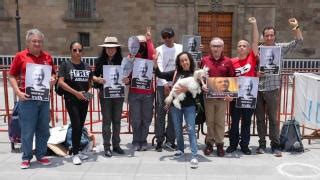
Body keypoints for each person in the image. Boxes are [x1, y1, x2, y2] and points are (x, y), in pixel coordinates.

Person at [255, 17, 303, 157]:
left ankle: (275, 145)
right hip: (258, 88)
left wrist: (296, 27)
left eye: (271, 35)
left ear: (274, 36)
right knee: (259, 118)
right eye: (267, 35)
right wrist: (256, 72)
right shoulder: (257, 49)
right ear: (263, 37)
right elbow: (251, 67)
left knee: (273, 119)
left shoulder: (280, 48)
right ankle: (261, 144)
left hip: (273, 88)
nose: (269, 37)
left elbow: (298, 42)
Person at [8, 28, 55, 169]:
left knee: (43, 129)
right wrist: (18, 93)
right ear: (28, 42)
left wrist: (53, 79)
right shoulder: (20, 56)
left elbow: (53, 74)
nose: (37, 44)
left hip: (44, 99)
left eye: (40, 41)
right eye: (34, 41)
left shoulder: (48, 57)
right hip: (27, 99)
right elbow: (11, 75)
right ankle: (26, 157)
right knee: (27, 130)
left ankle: (41, 155)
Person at [154, 52, 199, 168]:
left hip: (189, 106)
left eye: (186, 60)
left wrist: (186, 89)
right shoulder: (175, 73)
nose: (184, 62)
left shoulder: (195, 73)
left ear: (190, 60)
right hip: (175, 106)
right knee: (178, 130)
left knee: (190, 130)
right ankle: (180, 149)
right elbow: (160, 74)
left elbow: (199, 90)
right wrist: (155, 63)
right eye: (182, 61)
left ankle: (194, 155)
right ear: (179, 63)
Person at [227, 17, 259, 155]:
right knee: (234, 122)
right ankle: (233, 144)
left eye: (244, 45)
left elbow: (255, 41)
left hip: (249, 96)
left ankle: (244, 145)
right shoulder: (231, 61)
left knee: (246, 122)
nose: (241, 47)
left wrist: (254, 24)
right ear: (237, 48)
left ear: (248, 48)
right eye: (239, 45)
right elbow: (229, 79)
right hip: (235, 96)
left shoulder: (251, 57)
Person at [58, 41, 92, 165]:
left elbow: (89, 82)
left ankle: (78, 150)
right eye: (74, 50)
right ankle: (75, 153)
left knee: (80, 126)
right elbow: (61, 82)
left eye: (80, 50)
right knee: (76, 125)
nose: (77, 52)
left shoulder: (87, 66)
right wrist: (76, 93)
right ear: (70, 51)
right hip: (71, 99)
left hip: (83, 100)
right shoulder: (65, 65)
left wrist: (86, 93)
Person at [201, 37, 235, 157]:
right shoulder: (204, 60)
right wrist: (203, 86)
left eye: (218, 46)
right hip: (208, 97)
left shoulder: (228, 61)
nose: (216, 48)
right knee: (210, 121)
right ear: (210, 47)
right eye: (214, 46)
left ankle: (220, 144)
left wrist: (230, 95)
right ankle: (209, 143)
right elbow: (200, 77)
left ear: (222, 47)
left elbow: (232, 78)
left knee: (220, 122)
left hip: (222, 98)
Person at [93, 36, 125, 157]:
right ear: (105, 49)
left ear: (117, 49)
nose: (110, 50)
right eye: (108, 48)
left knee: (117, 121)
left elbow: (127, 77)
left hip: (118, 95)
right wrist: (98, 79)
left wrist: (126, 79)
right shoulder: (99, 61)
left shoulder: (122, 61)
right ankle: (107, 146)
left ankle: (116, 145)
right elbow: (93, 76)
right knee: (106, 121)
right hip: (105, 95)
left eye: (113, 48)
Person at [124, 27, 155, 151]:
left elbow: (152, 54)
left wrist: (149, 40)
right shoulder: (131, 57)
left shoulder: (149, 57)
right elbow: (126, 72)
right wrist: (126, 78)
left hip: (148, 93)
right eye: (139, 43)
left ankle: (143, 140)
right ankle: (136, 140)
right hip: (134, 93)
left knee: (147, 118)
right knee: (136, 119)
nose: (141, 46)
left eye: (143, 44)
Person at [154, 27, 181, 152]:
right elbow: (158, 66)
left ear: (173, 36)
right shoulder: (159, 49)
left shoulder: (180, 48)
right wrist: (165, 83)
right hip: (162, 85)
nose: (167, 39)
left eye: (169, 36)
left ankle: (170, 140)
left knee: (173, 113)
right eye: (164, 37)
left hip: (177, 85)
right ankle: (159, 139)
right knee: (161, 112)